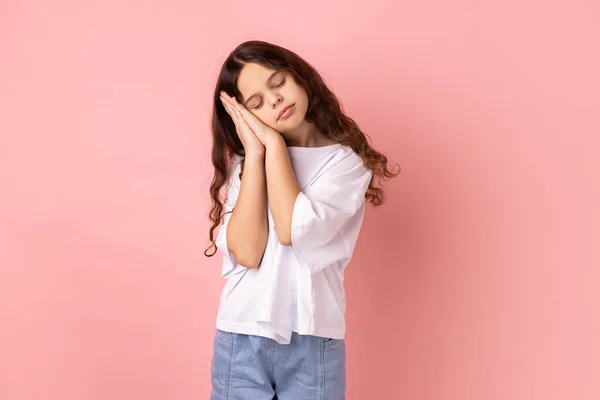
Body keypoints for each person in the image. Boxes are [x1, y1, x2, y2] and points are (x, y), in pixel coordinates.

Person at [203, 40, 400, 400]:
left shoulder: (345, 163)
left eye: (278, 83)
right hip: (240, 335)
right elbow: (247, 252)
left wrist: (275, 147)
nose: (275, 100)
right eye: (256, 102)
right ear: (245, 116)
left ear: (300, 77)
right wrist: (259, 153)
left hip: (312, 341)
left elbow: (296, 228)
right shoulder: (245, 166)